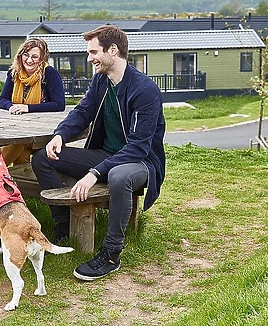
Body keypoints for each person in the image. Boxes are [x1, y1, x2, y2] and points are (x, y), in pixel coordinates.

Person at [31, 25, 166, 281]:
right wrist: (60, 135)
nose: (90, 58)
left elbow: (138, 146)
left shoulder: (145, 90)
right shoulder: (101, 80)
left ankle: (112, 253)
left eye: (94, 52)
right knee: (42, 158)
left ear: (112, 50)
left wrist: (94, 173)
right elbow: (83, 112)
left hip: (141, 162)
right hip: (107, 155)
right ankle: (64, 228)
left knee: (118, 176)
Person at [0, 38, 65, 166]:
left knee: (18, 146)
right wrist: (11, 106)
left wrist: (27, 108)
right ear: (20, 55)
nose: (29, 60)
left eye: (34, 57)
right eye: (26, 55)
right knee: (21, 155)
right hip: (16, 129)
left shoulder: (49, 73)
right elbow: (2, 100)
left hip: (42, 131)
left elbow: (59, 104)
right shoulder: (14, 73)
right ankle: (15, 184)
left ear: (42, 58)